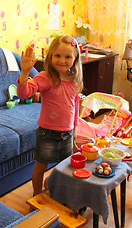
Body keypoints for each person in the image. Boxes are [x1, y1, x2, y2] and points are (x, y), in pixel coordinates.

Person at [17, 35, 83, 196]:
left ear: (75, 58)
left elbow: (75, 105)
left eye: (68, 56)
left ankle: (60, 193)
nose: (62, 60)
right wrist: (25, 72)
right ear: (50, 56)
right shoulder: (44, 77)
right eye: (58, 56)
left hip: (67, 133)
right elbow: (23, 94)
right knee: (40, 166)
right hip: (47, 133)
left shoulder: (74, 79)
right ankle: (37, 195)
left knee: (64, 167)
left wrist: (75, 128)